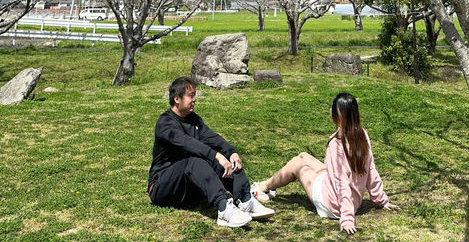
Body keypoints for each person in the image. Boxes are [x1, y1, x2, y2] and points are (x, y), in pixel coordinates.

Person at [252, 92, 399, 234]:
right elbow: (371, 170)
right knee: (304, 155)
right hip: (350, 200)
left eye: (332, 109)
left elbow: (341, 182)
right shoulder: (362, 135)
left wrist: (347, 218)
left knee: (296, 163)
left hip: (333, 204)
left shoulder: (337, 144)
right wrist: (381, 199)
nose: (329, 111)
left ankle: (260, 188)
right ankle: (267, 186)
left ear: (337, 117)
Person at [148, 76, 274, 228]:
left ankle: (245, 199)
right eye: (191, 95)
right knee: (197, 161)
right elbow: (187, 143)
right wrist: (215, 155)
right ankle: (224, 210)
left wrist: (231, 152)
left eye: (195, 95)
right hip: (163, 189)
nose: (195, 99)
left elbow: (212, 138)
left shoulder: (194, 120)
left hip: (190, 190)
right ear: (176, 99)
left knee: (226, 159)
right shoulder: (165, 123)